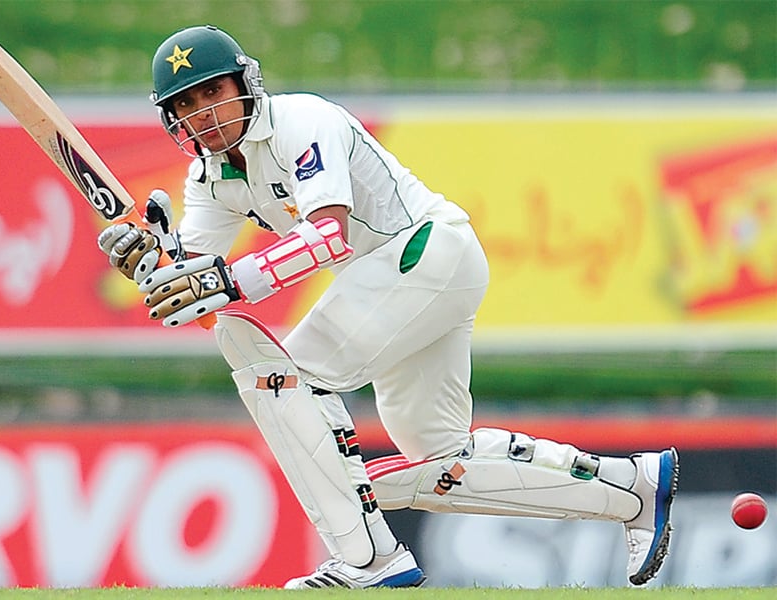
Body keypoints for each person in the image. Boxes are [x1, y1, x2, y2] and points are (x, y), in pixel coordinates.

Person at [98, 25, 679, 589]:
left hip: (423, 253)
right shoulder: (209, 179)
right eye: (186, 104)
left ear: (244, 83)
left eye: (213, 92)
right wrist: (151, 260)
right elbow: (196, 287)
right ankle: (632, 489)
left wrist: (228, 279)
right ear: (171, 118)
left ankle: (367, 559)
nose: (204, 112)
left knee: (283, 378)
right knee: (441, 463)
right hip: (395, 286)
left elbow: (328, 236)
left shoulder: (302, 121)